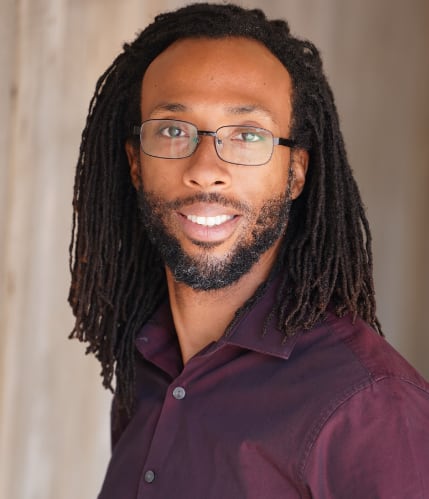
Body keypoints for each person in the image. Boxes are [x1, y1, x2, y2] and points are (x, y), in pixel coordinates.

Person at [68, 3, 429, 498]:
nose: (205, 170)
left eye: (247, 136)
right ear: (136, 164)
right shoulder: (146, 369)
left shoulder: (369, 408)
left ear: (295, 172)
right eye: (173, 130)